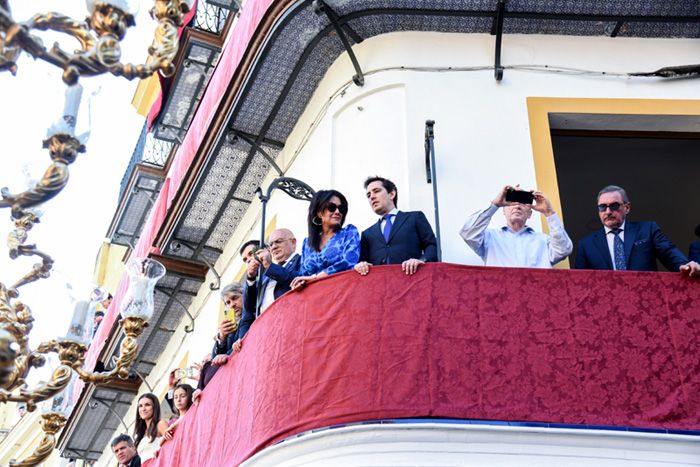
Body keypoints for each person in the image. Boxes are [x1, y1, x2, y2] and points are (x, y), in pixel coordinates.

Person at [575, 185, 699, 276]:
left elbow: (668, 252)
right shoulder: (587, 244)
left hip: (645, 302)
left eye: (614, 206)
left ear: (627, 208)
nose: (608, 211)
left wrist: (685, 265)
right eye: (603, 207)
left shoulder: (647, 230)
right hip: (606, 307)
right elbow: (580, 281)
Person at [460, 185, 572, 268]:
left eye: (522, 203)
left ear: (530, 213)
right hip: (501, 297)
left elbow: (564, 250)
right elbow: (468, 233)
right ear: (503, 210)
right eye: (512, 202)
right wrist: (495, 204)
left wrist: (549, 212)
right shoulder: (490, 237)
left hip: (536, 296)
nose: (517, 206)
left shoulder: (543, 240)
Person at [354, 176, 437, 276]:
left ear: (392, 194)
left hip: (412, 281)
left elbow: (432, 245)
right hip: (381, 286)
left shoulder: (415, 218)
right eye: (368, 195)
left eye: (376, 191)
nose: (372, 196)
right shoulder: (367, 234)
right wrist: (360, 265)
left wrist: (422, 260)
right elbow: (363, 262)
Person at [290, 190, 360, 290]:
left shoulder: (349, 232)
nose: (337, 212)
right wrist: (299, 283)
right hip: (314, 297)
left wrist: (316, 277)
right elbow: (303, 273)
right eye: (331, 207)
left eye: (341, 208)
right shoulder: (307, 243)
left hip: (342, 292)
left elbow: (349, 262)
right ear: (319, 212)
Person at [244, 228, 301, 315]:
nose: (273, 247)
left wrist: (269, 266)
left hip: (291, 316)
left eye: (278, 241)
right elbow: (249, 308)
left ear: (293, 242)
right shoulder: (266, 276)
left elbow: (300, 279)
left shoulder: (302, 260)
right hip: (267, 325)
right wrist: (250, 278)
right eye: (270, 244)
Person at [211, 283, 247, 365]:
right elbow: (214, 358)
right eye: (228, 302)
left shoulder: (253, 312)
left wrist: (227, 355)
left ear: (244, 294)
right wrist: (221, 337)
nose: (232, 305)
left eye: (235, 298)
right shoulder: (230, 325)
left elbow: (243, 342)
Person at [133, 393, 166, 462]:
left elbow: (172, 445)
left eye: (147, 405)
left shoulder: (160, 424)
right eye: (140, 406)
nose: (143, 409)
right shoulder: (140, 433)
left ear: (155, 408)